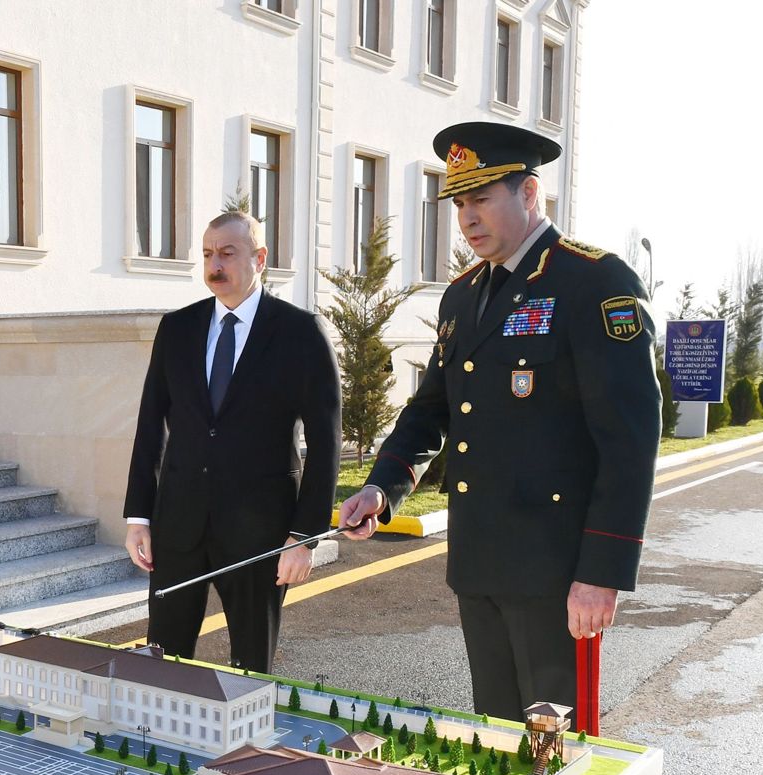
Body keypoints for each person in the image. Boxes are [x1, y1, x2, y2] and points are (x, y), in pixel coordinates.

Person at [337, 121, 661, 721]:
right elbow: (433, 407)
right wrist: (381, 487)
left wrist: (602, 572)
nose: (467, 218)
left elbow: (630, 439)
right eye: (460, 203)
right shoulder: (462, 296)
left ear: (529, 195)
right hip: (479, 563)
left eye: (482, 198)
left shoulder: (591, 281)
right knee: (498, 738)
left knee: (556, 749)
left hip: (556, 574)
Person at [123, 211, 341, 674]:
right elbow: (149, 425)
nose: (214, 265)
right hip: (178, 525)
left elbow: (326, 442)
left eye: (227, 253)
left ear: (259, 258)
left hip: (259, 532)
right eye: (207, 254)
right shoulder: (177, 328)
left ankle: (247, 746)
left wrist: (304, 537)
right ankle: (161, 743)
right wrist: (139, 516)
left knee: (250, 668)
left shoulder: (299, 333)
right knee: (162, 662)